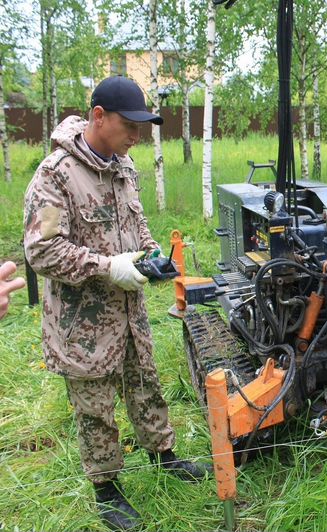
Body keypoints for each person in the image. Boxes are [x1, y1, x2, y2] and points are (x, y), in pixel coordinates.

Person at [24, 76, 211, 531]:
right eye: (129, 126)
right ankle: (106, 487)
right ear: (98, 117)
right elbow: (42, 251)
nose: (136, 136)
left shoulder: (124, 168)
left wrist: (150, 258)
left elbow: (138, 225)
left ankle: (163, 455)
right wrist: (108, 267)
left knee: (145, 383)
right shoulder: (56, 174)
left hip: (129, 313)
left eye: (141, 127)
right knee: (95, 406)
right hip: (82, 323)